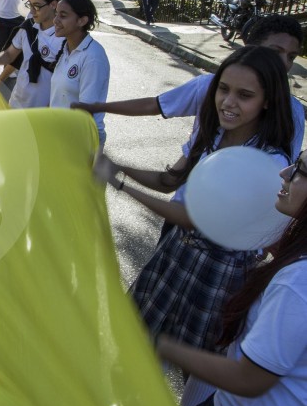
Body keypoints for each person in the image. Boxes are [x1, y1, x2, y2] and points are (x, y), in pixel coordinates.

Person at [94, 46, 294, 353]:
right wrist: (116, 165)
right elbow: (169, 181)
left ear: (267, 101)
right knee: (131, 344)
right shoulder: (215, 136)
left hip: (218, 277)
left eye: (244, 95)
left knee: (194, 369)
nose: (228, 102)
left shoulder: (267, 162)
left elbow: (194, 217)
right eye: (223, 89)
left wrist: (119, 183)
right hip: (177, 253)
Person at [156, 154, 307, 406]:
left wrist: (162, 344)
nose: (284, 171)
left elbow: (250, 378)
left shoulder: (297, 281)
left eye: (301, 170)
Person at [71, 15, 305, 160]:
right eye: (276, 52)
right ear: (250, 47)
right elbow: (156, 104)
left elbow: (282, 178)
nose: (284, 63)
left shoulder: (292, 112)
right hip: (185, 210)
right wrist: (96, 106)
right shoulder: (209, 86)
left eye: (291, 56)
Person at [0, 0, 65, 107]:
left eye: (37, 6)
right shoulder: (27, 27)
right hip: (17, 102)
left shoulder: (65, 38)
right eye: (30, 5)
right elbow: (9, 55)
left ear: (53, 4)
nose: (32, 11)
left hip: (45, 112)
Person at [51, 0, 110, 143]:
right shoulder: (66, 48)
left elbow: (85, 111)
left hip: (81, 138)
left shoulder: (93, 57)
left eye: (63, 16)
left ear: (82, 21)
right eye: (56, 14)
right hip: (59, 134)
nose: (55, 20)